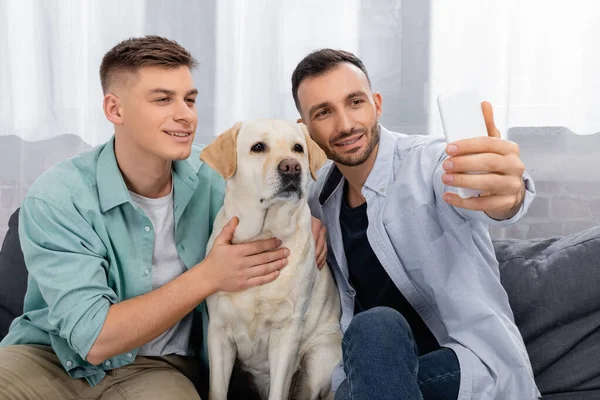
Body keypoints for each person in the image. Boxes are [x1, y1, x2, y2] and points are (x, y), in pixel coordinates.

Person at [0, 36, 327, 400]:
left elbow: (280, 192)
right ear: (115, 109)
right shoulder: (57, 198)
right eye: (162, 99)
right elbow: (93, 339)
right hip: (48, 357)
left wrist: (305, 219)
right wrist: (209, 275)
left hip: (158, 370)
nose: (186, 115)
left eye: (189, 99)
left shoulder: (223, 179)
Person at [292, 49, 541, 400]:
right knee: (370, 344)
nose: (345, 124)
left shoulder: (428, 162)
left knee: (375, 324)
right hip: (377, 375)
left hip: (467, 374)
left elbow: (482, 194)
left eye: (355, 102)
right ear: (305, 129)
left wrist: (506, 195)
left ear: (376, 104)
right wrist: (301, 226)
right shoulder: (317, 199)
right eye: (324, 112)